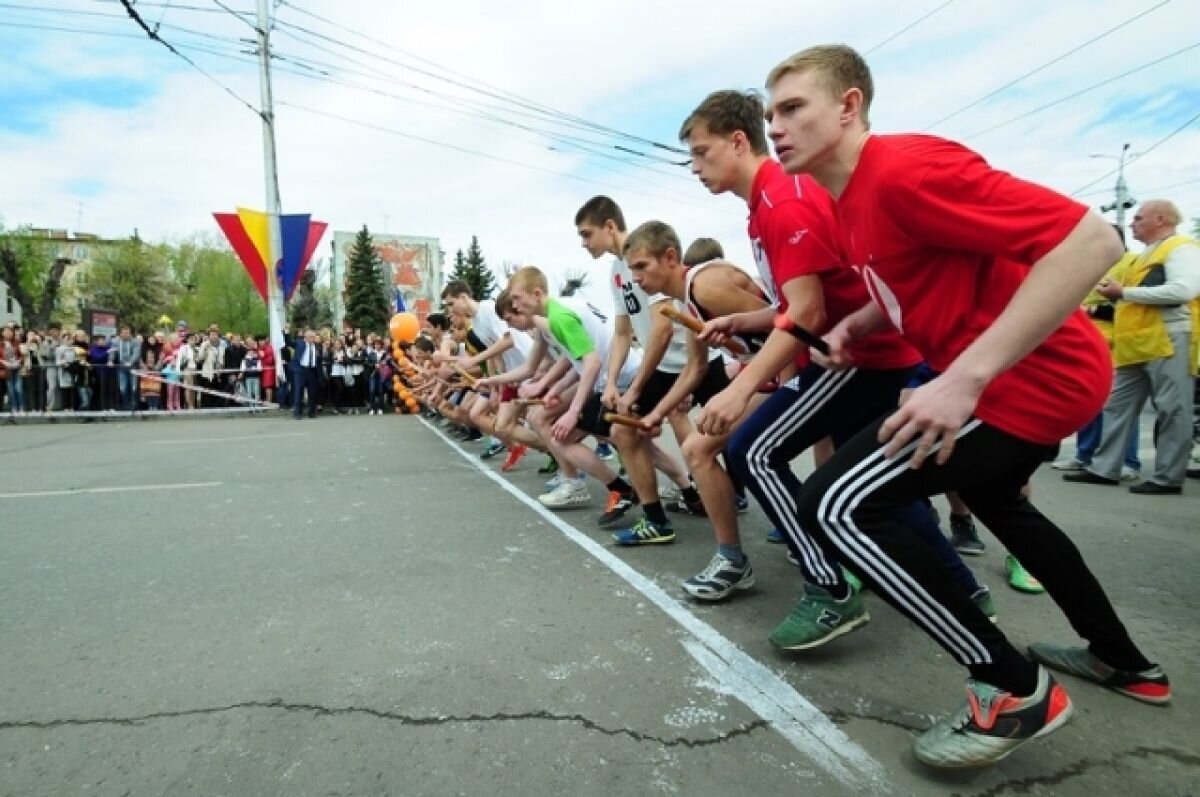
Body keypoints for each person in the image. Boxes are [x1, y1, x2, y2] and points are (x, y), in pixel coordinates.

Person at [763, 44, 1168, 768]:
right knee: (999, 503)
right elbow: (921, 279)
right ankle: (1122, 659)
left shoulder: (904, 169)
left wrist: (965, 377)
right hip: (1028, 375)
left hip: (1034, 376)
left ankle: (1013, 687)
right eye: (770, 114)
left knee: (833, 503)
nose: (777, 127)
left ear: (850, 104)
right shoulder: (846, 199)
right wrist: (862, 322)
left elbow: (1094, 238)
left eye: (793, 108)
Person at [1063, 200, 1199, 495]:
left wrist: (1122, 292)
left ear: (1160, 219)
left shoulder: (1180, 247)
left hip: (1168, 337)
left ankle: (1167, 477)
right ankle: (1105, 468)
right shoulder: (1144, 256)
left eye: (1138, 218)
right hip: (1138, 342)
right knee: (1116, 405)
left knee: (1173, 409)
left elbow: (1184, 290)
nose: (1133, 223)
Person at [292, 329, 322, 419]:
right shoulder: (299, 343)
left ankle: (312, 412)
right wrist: (286, 333)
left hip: (312, 371)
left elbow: (319, 362)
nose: (312, 338)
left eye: (313, 337)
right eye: (310, 337)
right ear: (306, 337)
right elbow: (289, 342)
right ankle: (297, 413)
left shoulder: (317, 346)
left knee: (312, 393)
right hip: (301, 370)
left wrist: (320, 375)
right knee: (299, 392)